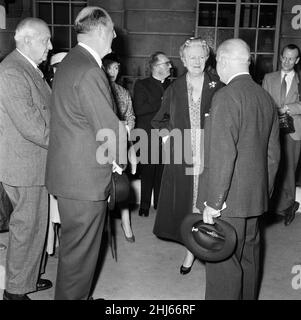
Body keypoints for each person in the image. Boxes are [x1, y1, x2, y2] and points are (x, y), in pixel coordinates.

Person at [45, 6, 127, 300]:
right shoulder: (91, 70)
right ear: (102, 31)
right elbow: (107, 127)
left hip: (69, 175)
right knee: (80, 257)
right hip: (84, 180)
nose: (116, 35)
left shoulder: (69, 63)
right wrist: (122, 161)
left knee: (74, 252)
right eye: (113, 30)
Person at [197, 38, 280, 300]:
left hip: (228, 202)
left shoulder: (225, 96)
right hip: (253, 199)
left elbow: (223, 154)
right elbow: (273, 155)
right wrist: (262, 193)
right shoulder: (266, 98)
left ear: (222, 61)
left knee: (223, 265)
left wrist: (213, 201)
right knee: (248, 260)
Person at [152, 38, 223, 274]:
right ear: (183, 60)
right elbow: (158, 120)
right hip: (182, 156)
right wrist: (168, 141)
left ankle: (201, 249)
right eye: (191, 57)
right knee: (188, 206)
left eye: (201, 56)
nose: (196, 61)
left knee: (207, 205)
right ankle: (192, 250)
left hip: (210, 156)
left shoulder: (219, 86)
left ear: (207, 59)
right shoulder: (174, 88)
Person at [0, 17, 53, 300]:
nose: (50, 46)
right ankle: (15, 292)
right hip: (25, 166)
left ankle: (27, 278)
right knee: (26, 229)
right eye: (46, 40)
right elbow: (34, 127)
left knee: (36, 227)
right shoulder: (11, 71)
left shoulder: (28, 68)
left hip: (34, 163)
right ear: (27, 40)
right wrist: (69, 144)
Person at [262, 44, 301, 226]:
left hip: (294, 131)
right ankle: (271, 206)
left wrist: (288, 108)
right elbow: (263, 101)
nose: (286, 61)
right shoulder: (269, 78)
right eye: (284, 57)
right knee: (272, 166)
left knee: (289, 169)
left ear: (297, 60)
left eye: (291, 58)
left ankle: (287, 206)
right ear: (280, 56)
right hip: (273, 129)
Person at [133, 51, 172, 217]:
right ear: (156, 67)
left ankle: (158, 203)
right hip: (147, 134)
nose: (171, 66)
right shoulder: (142, 85)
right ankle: (144, 205)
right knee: (148, 170)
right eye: (167, 63)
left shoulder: (171, 86)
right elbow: (140, 109)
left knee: (162, 170)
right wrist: (163, 103)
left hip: (166, 133)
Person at [103, 53, 136, 242]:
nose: (112, 72)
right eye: (108, 67)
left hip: (121, 143)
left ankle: (126, 222)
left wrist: (127, 128)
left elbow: (131, 116)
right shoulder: (97, 91)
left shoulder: (123, 92)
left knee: (122, 184)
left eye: (116, 67)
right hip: (100, 144)